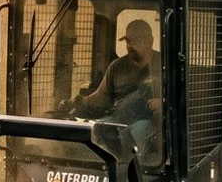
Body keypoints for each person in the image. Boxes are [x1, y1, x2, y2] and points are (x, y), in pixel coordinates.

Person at [59, 18, 161, 156]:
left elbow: (182, 100)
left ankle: (135, 168)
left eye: (136, 42)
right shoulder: (117, 66)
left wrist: (163, 104)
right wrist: (78, 101)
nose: (130, 46)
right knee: (98, 128)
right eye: (128, 41)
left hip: (148, 121)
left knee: (140, 130)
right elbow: (102, 96)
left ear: (150, 41)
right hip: (119, 119)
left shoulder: (164, 65)